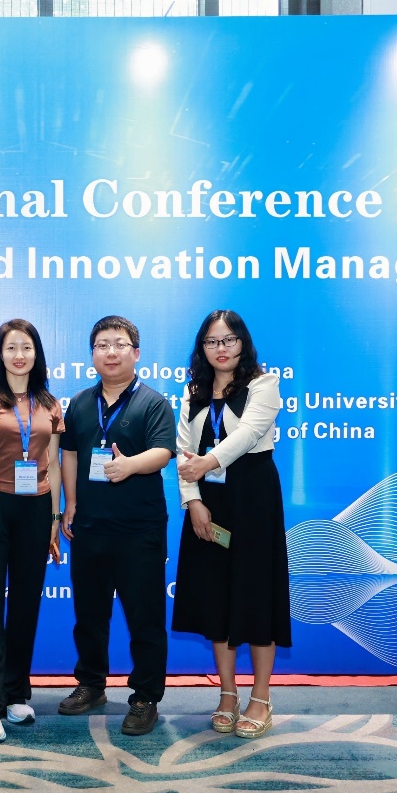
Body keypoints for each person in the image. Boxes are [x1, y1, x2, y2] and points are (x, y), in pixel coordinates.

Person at [57, 315, 176, 736]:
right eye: (102, 345)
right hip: (90, 526)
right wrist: (70, 504)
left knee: (145, 617)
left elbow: (164, 452)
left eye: (119, 344)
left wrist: (129, 466)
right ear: (92, 354)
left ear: (136, 353)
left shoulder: (154, 403)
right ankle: (91, 684)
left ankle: (145, 697)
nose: (111, 352)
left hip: (139, 529)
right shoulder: (80, 404)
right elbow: (70, 454)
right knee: (89, 614)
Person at [173, 309, 290, 740]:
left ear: (242, 342)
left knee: (256, 596)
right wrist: (193, 502)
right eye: (211, 341)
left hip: (253, 495)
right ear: (201, 348)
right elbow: (183, 451)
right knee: (215, 598)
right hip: (209, 497)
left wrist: (209, 462)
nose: (220, 349)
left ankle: (261, 697)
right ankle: (227, 693)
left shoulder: (264, 384)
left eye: (228, 340)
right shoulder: (193, 391)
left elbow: (248, 435)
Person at [0, 319, 64, 744]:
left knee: (26, 603)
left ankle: (14, 693)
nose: (19, 355)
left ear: (36, 353)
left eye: (26, 347)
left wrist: (55, 519)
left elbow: (54, 465)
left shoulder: (50, 404)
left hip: (36, 507)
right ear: (0, 354)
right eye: (11, 348)